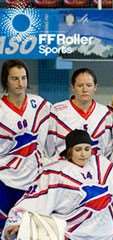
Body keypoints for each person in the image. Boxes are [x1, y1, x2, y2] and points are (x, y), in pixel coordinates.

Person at [3, 129, 113, 240]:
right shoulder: (55, 173)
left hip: (103, 235)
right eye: (78, 149)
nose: (83, 154)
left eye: (87, 149)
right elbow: (34, 200)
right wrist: (18, 222)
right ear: (69, 152)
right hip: (71, 235)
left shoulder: (104, 166)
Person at [0, 60, 51, 232]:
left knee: (29, 231)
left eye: (23, 78)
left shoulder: (41, 105)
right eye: (14, 78)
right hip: (4, 181)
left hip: (33, 182)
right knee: (4, 231)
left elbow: (71, 110)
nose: (20, 83)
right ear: (5, 80)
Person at [47, 68, 113, 159]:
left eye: (89, 85)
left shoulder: (104, 112)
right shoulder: (57, 111)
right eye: (80, 85)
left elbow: (108, 148)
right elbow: (49, 147)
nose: (85, 89)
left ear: (95, 87)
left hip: (96, 168)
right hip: (65, 168)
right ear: (72, 87)